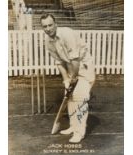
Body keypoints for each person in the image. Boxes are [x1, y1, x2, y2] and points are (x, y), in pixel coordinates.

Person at [40, 13, 95, 143]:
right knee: (69, 96)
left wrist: (74, 78)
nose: (48, 29)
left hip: (83, 66)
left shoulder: (67, 34)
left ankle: (79, 132)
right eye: (44, 26)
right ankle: (73, 126)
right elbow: (59, 62)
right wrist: (66, 80)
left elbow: (75, 59)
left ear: (55, 24)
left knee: (79, 99)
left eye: (50, 25)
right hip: (71, 67)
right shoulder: (48, 41)